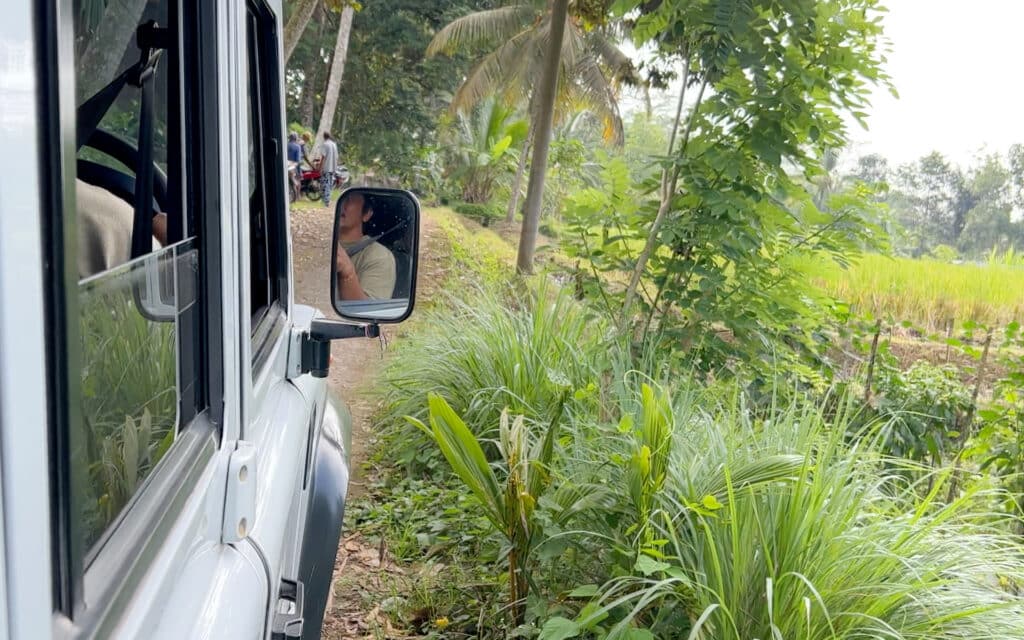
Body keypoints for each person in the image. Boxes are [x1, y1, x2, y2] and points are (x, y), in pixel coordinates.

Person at [334, 192, 396, 300]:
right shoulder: (317, 244)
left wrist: (347, 273)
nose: (340, 204)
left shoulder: (379, 256)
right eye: (337, 199)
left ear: (367, 214)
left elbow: (370, 311)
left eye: (348, 198)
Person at [318, 131, 339, 208]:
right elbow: (337, 157)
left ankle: (325, 202)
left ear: (324, 137)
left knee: (325, 185)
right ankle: (327, 200)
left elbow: (323, 157)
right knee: (329, 185)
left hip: (326, 167)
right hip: (333, 168)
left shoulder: (325, 144)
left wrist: (320, 168)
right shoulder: (334, 144)